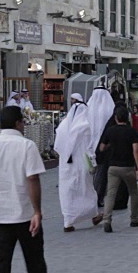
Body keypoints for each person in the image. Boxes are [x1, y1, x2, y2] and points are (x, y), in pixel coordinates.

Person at [0, 106, 67, 273]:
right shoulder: (26, 146)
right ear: (18, 123)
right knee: (35, 264)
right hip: (25, 216)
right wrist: (37, 211)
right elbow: (32, 179)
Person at [53, 93, 103, 232]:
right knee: (85, 189)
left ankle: (68, 222)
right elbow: (90, 146)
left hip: (66, 165)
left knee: (68, 191)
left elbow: (57, 146)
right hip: (81, 164)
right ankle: (93, 215)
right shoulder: (86, 125)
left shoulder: (63, 126)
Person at [98, 106, 138, 233]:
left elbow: (101, 148)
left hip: (113, 167)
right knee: (133, 193)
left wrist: (110, 145)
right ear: (127, 117)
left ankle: (107, 220)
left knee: (110, 194)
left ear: (116, 117)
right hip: (128, 167)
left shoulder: (110, 131)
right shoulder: (132, 132)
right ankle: (134, 219)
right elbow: (136, 151)